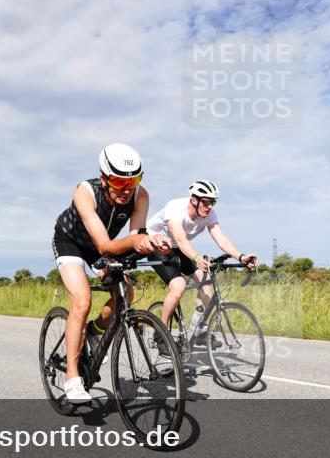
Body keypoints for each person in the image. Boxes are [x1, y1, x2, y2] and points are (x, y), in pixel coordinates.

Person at [51, 144, 170, 404]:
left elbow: (134, 237)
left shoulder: (140, 196)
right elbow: (106, 246)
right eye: (118, 181)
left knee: (125, 293)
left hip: (102, 246)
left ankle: (93, 332)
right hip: (70, 242)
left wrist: (151, 240)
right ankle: (72, 378)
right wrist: (137, 241)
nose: (127, 189)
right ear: (104, 178)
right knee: (82, 301)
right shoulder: (85, 192)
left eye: (133, 181)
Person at [147, 180, 256, 343]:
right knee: (179, 286)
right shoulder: (175, 208)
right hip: (157, 245)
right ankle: (160, 333)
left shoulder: (210, 214)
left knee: (206, 282)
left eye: (213, 202)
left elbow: (221, 239)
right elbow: (179, 238)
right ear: (194, 200)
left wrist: (241, 256)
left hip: (179, 248)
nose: (210, 206)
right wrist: (197, 258)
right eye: (206, 202)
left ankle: (198, 328)